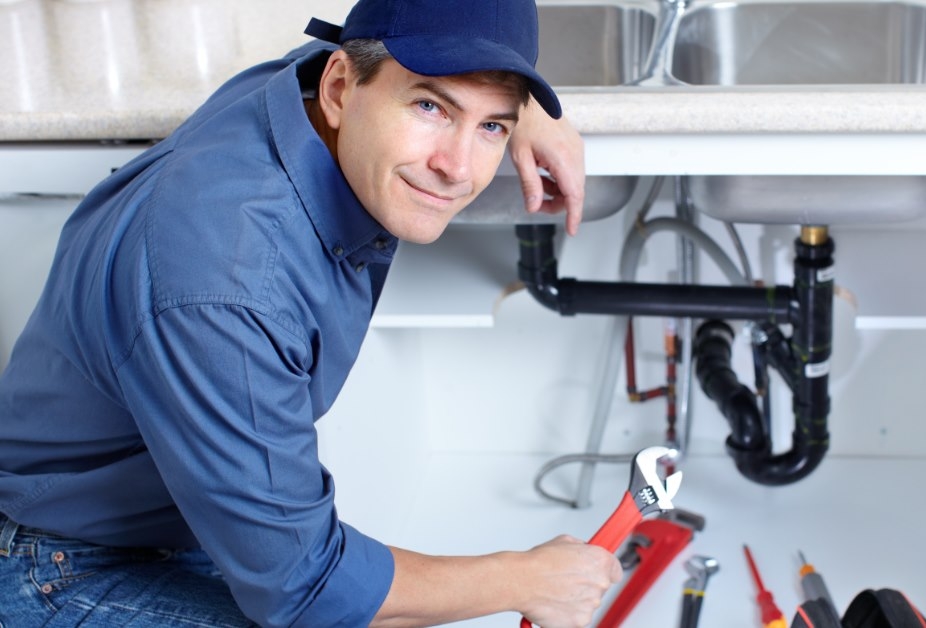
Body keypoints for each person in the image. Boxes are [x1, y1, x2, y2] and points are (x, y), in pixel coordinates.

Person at [0, 0, 622, 626]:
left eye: (492, 127)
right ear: (340, 89)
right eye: (430, 107)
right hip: (58, 564)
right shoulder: (226, 282)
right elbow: (304, 588)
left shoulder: (303, 89)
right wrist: (523, 579)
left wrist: (527, 111)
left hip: (178, 521)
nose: (456, 169)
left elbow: (420, 58)